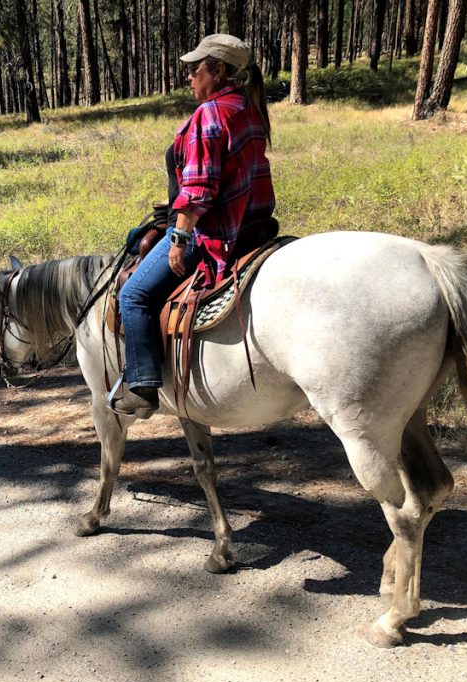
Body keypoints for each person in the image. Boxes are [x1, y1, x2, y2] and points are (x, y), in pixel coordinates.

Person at [110, 33, 275, 419]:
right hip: (253, 224)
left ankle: (143, 387)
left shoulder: (210, 115)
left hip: (214, 233)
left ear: (216, 71)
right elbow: (235, 176)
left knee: (133, 295)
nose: (189, 76)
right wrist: (176, 200)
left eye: (195, 68)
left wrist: (179, 238)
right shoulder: (247, 109)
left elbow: (200, 192)